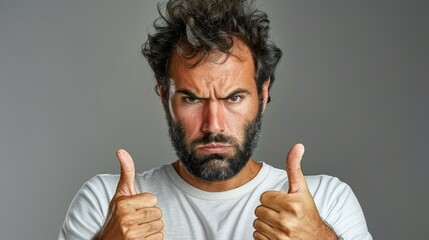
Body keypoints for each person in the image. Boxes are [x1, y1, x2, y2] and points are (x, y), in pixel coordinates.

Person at [59, 0, 372, 239]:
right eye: (192, 99)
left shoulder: (325, 202)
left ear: (263, 95)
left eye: (233, 98)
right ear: (163, 95)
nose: (213, 125)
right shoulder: (106, 204)